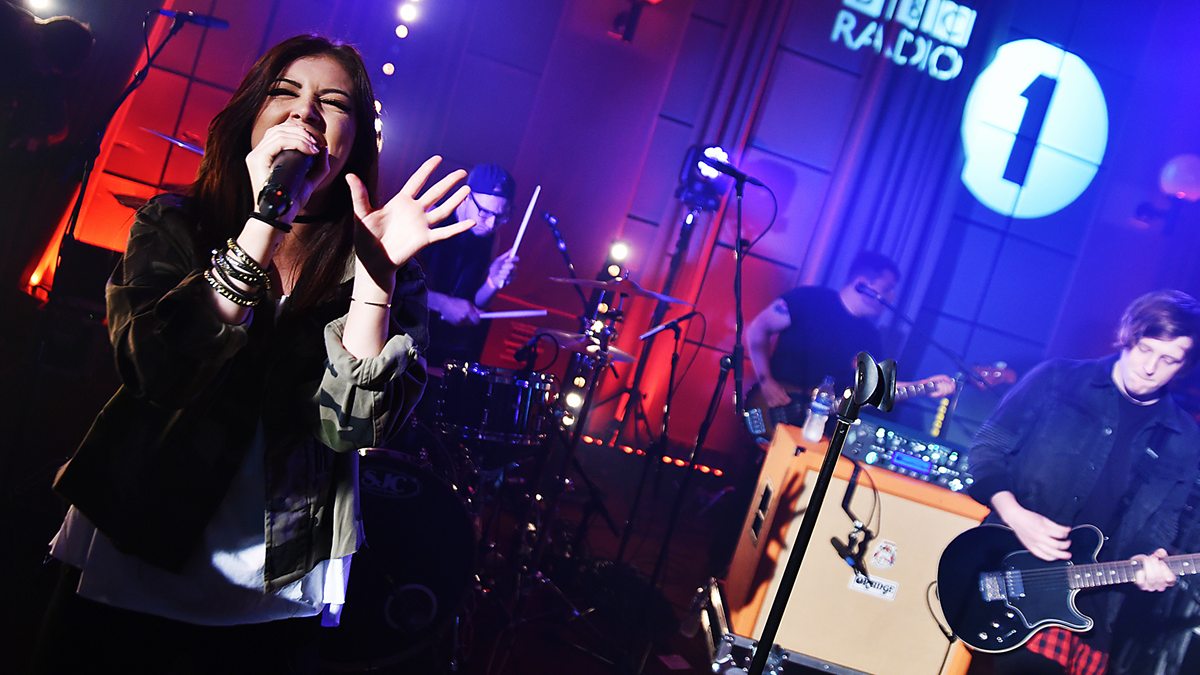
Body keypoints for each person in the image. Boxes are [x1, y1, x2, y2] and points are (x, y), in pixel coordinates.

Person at [30, 35, 475, 673]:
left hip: (277, 578)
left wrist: (376, 280)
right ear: (252, 116)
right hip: (137, 539)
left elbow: (355, 428)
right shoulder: (176, 224)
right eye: (285, 93)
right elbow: (160, 370)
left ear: (355, 140)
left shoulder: (382, 261)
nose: (305, 112)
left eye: (333, 102)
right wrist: (267, 216)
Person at [967, 289, 1200, 675]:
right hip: (1006, 568)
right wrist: (1015, 515)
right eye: (1145, 349)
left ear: (1184, 366)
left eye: (1168, 360)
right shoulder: (1058, 379)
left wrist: (1148, 562)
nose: (1150, 368)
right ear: (1127, 335)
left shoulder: (1184, 438)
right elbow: (987, 449)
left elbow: (1161, 524)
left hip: (1092, 605)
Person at [746, 250, 956, 426]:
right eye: (887, 289)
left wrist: (923, 385)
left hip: (819, 426)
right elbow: (758, 329)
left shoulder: (870, 336)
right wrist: (766, 381)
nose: (891, 297)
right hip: (773, 407)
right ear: (862, 284)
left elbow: (876, 386)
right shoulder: (809, 299)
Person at [419, 162, 519, 367]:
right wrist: (443, 303)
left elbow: (475, 303)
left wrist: (492, 283)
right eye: (485, 212)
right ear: (465, 197)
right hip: (407, 335)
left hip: (446, 346)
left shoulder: (491, 237)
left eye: (501, 216)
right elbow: (395, 285)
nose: (491, 224)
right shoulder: (431, 217)